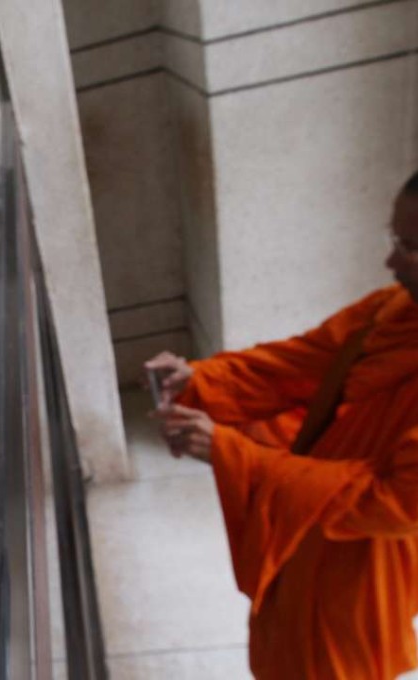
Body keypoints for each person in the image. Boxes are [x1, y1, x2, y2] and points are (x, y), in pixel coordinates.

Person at [144, 171, 418, 680]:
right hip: (310, 512)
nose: (391, 262)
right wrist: (201, 379)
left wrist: (236, 454)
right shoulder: (393, 311)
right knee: (285, 638)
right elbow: (297, 363)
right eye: (395, 238)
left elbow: (396, 500)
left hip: (367, 556)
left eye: (412, 249)